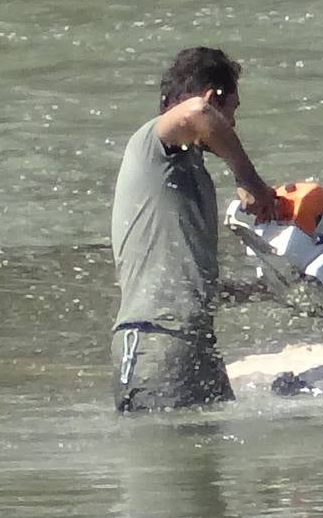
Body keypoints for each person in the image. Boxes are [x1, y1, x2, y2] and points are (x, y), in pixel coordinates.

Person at [109, 46, 278, 411]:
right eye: (231, 111)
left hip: (191, 341)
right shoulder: (153, 144)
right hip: (157, 341)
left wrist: (266, 290)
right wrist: (249, 178)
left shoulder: (183, 171)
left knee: (206, 463)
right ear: (211, 97)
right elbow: (197, 113)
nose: (231, 124)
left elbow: (187, 284)